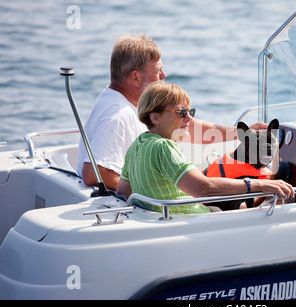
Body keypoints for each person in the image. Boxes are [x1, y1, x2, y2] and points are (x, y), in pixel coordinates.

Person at [77, 33, 267, 191]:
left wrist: (242, 132)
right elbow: (94, 173)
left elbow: (188, 127)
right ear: (135, 77)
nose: (164, 76)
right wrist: (156, 191)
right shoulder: (119, 114)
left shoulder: (126, 102)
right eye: (158, 71)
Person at [116, 81, 294, 214]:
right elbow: (202, 189)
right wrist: (261, 184)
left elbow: (123, 193)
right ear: (155, 118)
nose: (189, 119)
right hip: (189, 222)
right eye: (182, 113)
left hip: (166, 220)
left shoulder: (137, 146)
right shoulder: (164, 147)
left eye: (190, 112)